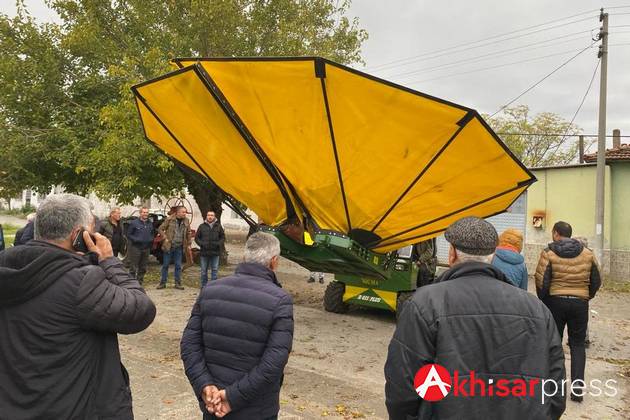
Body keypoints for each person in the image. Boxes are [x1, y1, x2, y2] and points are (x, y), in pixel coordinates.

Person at [385, 216, 565, 419]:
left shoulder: (425, 304)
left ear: (452, 253)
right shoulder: (537, 310)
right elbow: (555, 387)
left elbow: (403, 383)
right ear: (493, 255)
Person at [0, 193, 156, 419]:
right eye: (92, 230)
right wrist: (109, 261)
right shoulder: (82, 282)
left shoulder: (7, 266)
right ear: (78, 236)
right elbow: (142, 309)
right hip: (71, 408)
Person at [181, 232, 294, 419]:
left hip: (214, 404)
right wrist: (231, 397)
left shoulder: (210, 289)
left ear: (244, 257)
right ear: (274, 262)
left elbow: (189, 345)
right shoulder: (280, 300)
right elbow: (274, 362)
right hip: (255, 409)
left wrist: (205, 386)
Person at [535, 221, 601, 402]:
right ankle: (577, 390)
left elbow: (541, 280)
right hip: (580, 304)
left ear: (556, 233)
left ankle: (554, 388)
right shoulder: (588, 254)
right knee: (578, 345)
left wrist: (545, 301)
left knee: (554, 344)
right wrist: (586, 295)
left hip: (555, 302)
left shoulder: (548, 252)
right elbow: (596, 279)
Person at [158, 206, 191, 290]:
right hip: (169, 246)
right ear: (178, 212)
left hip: (179, 247)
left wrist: (189, 243)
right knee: (165, 265)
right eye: (183, 212)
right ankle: (162, 283)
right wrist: (165, 238)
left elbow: (188, 232)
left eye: (185, 212)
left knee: (178, 265)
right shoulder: (169, 219)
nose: (185, 214)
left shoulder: (186, 220)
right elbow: (160, 229)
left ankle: (178, 283)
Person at [195, 210, 225, 288]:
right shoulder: (201, 226)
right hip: (204, 252)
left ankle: (213, 287)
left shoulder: (219, 226)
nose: (210, 217)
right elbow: (197, 238)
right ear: (206, 216)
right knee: (203, 271)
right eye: (208, 215)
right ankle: (204, 286)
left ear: (214, 217)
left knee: (214, 270)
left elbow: (223, 237)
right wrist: (202, 244)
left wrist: (218, 244)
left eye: (212, 215)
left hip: (215, 252)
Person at [126, 207, 154, 285]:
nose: (145, 214)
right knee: (133, 267)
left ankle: (139, 283)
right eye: (144, 212)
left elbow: (152, 233)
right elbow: (128, 234)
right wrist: (136, 239)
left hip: (146, 248)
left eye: (147, 212)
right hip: (136, 248)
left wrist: (151, 239)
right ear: (140, 213)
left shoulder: (150, 223)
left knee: (143, 267)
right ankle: (131, 284)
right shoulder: (134, 223)